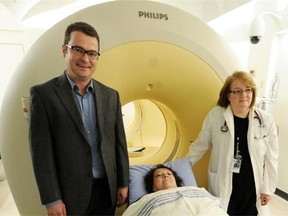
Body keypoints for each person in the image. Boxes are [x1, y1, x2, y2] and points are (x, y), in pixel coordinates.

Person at [29, 22, 129, 216]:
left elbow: (119, 144)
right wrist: (52, 199)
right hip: (68, 195)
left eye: (92, 53)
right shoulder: (44, 95)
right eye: (78, 50)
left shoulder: (111, 96)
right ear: (64, 50)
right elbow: (41, 153)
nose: (85, 59)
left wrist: (123, 182)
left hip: (106, 189)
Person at [186, 71, 279, 215]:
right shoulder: (215, 115)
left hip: (252, 186)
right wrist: (177, 167)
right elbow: (199, 146)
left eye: (248, 90)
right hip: (224, 184)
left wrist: (268, 188)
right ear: (228, 95)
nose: (244, 95)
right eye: (237, 91)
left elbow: (272, 157)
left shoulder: (265, 119)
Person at [123, 164, 228, 215]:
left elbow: (216, 204)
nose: (165, 176)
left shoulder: (197, 190)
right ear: (153, 186)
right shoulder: (147, 199)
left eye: (169, 174)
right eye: (159, 175)